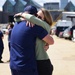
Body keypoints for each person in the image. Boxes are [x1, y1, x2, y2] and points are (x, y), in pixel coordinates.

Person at [10, 5, 54, 75]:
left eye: (39, 17)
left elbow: (51, 41)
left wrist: (22, 15)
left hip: (18, 65)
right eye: (36, 16)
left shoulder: (16, 26)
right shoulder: (32, 26)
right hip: (30, 65)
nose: (36, 18)